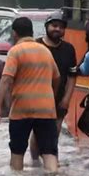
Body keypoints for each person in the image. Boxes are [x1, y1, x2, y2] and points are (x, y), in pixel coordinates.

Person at [0, 17, 60, 173]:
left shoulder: (15, 51)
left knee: (17, 153)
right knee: (49, 153)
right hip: (46, 110)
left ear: (14, 34)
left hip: (21, 111)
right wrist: (50, 98)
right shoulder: (46, 51)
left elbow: (6, 80)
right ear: (32, 32)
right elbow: (57, 78)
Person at [30, 10, 77, 161]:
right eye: (54, 25)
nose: (57, 29)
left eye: (60, 27)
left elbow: (72, 76)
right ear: (46, 26)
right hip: (37, 99)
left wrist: (66, 99)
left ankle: (49, 169)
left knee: (53, 135)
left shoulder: (69, 49)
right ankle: (35, 163)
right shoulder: (36, 45)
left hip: (59, 100)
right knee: (37, 134)